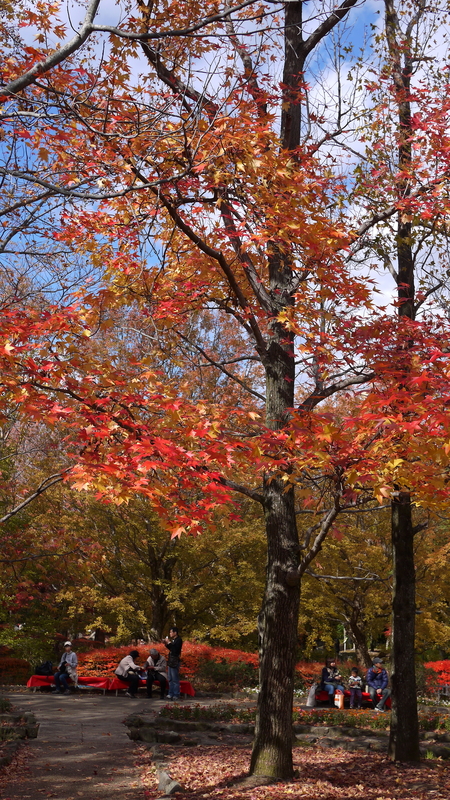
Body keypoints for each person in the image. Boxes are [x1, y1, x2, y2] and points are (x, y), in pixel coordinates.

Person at [164, 627, 183, 700]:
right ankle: (170, 693)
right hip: (171, 660)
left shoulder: (179, 640)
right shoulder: (174, 640)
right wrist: (166, 644)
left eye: (171, 632)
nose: (170, 634)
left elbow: (175, 650)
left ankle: (176, 694)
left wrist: (169, 642)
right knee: (170, 678)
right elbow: (171, 648)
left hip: (175, 661)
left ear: (175, 633)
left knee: (175, 679)